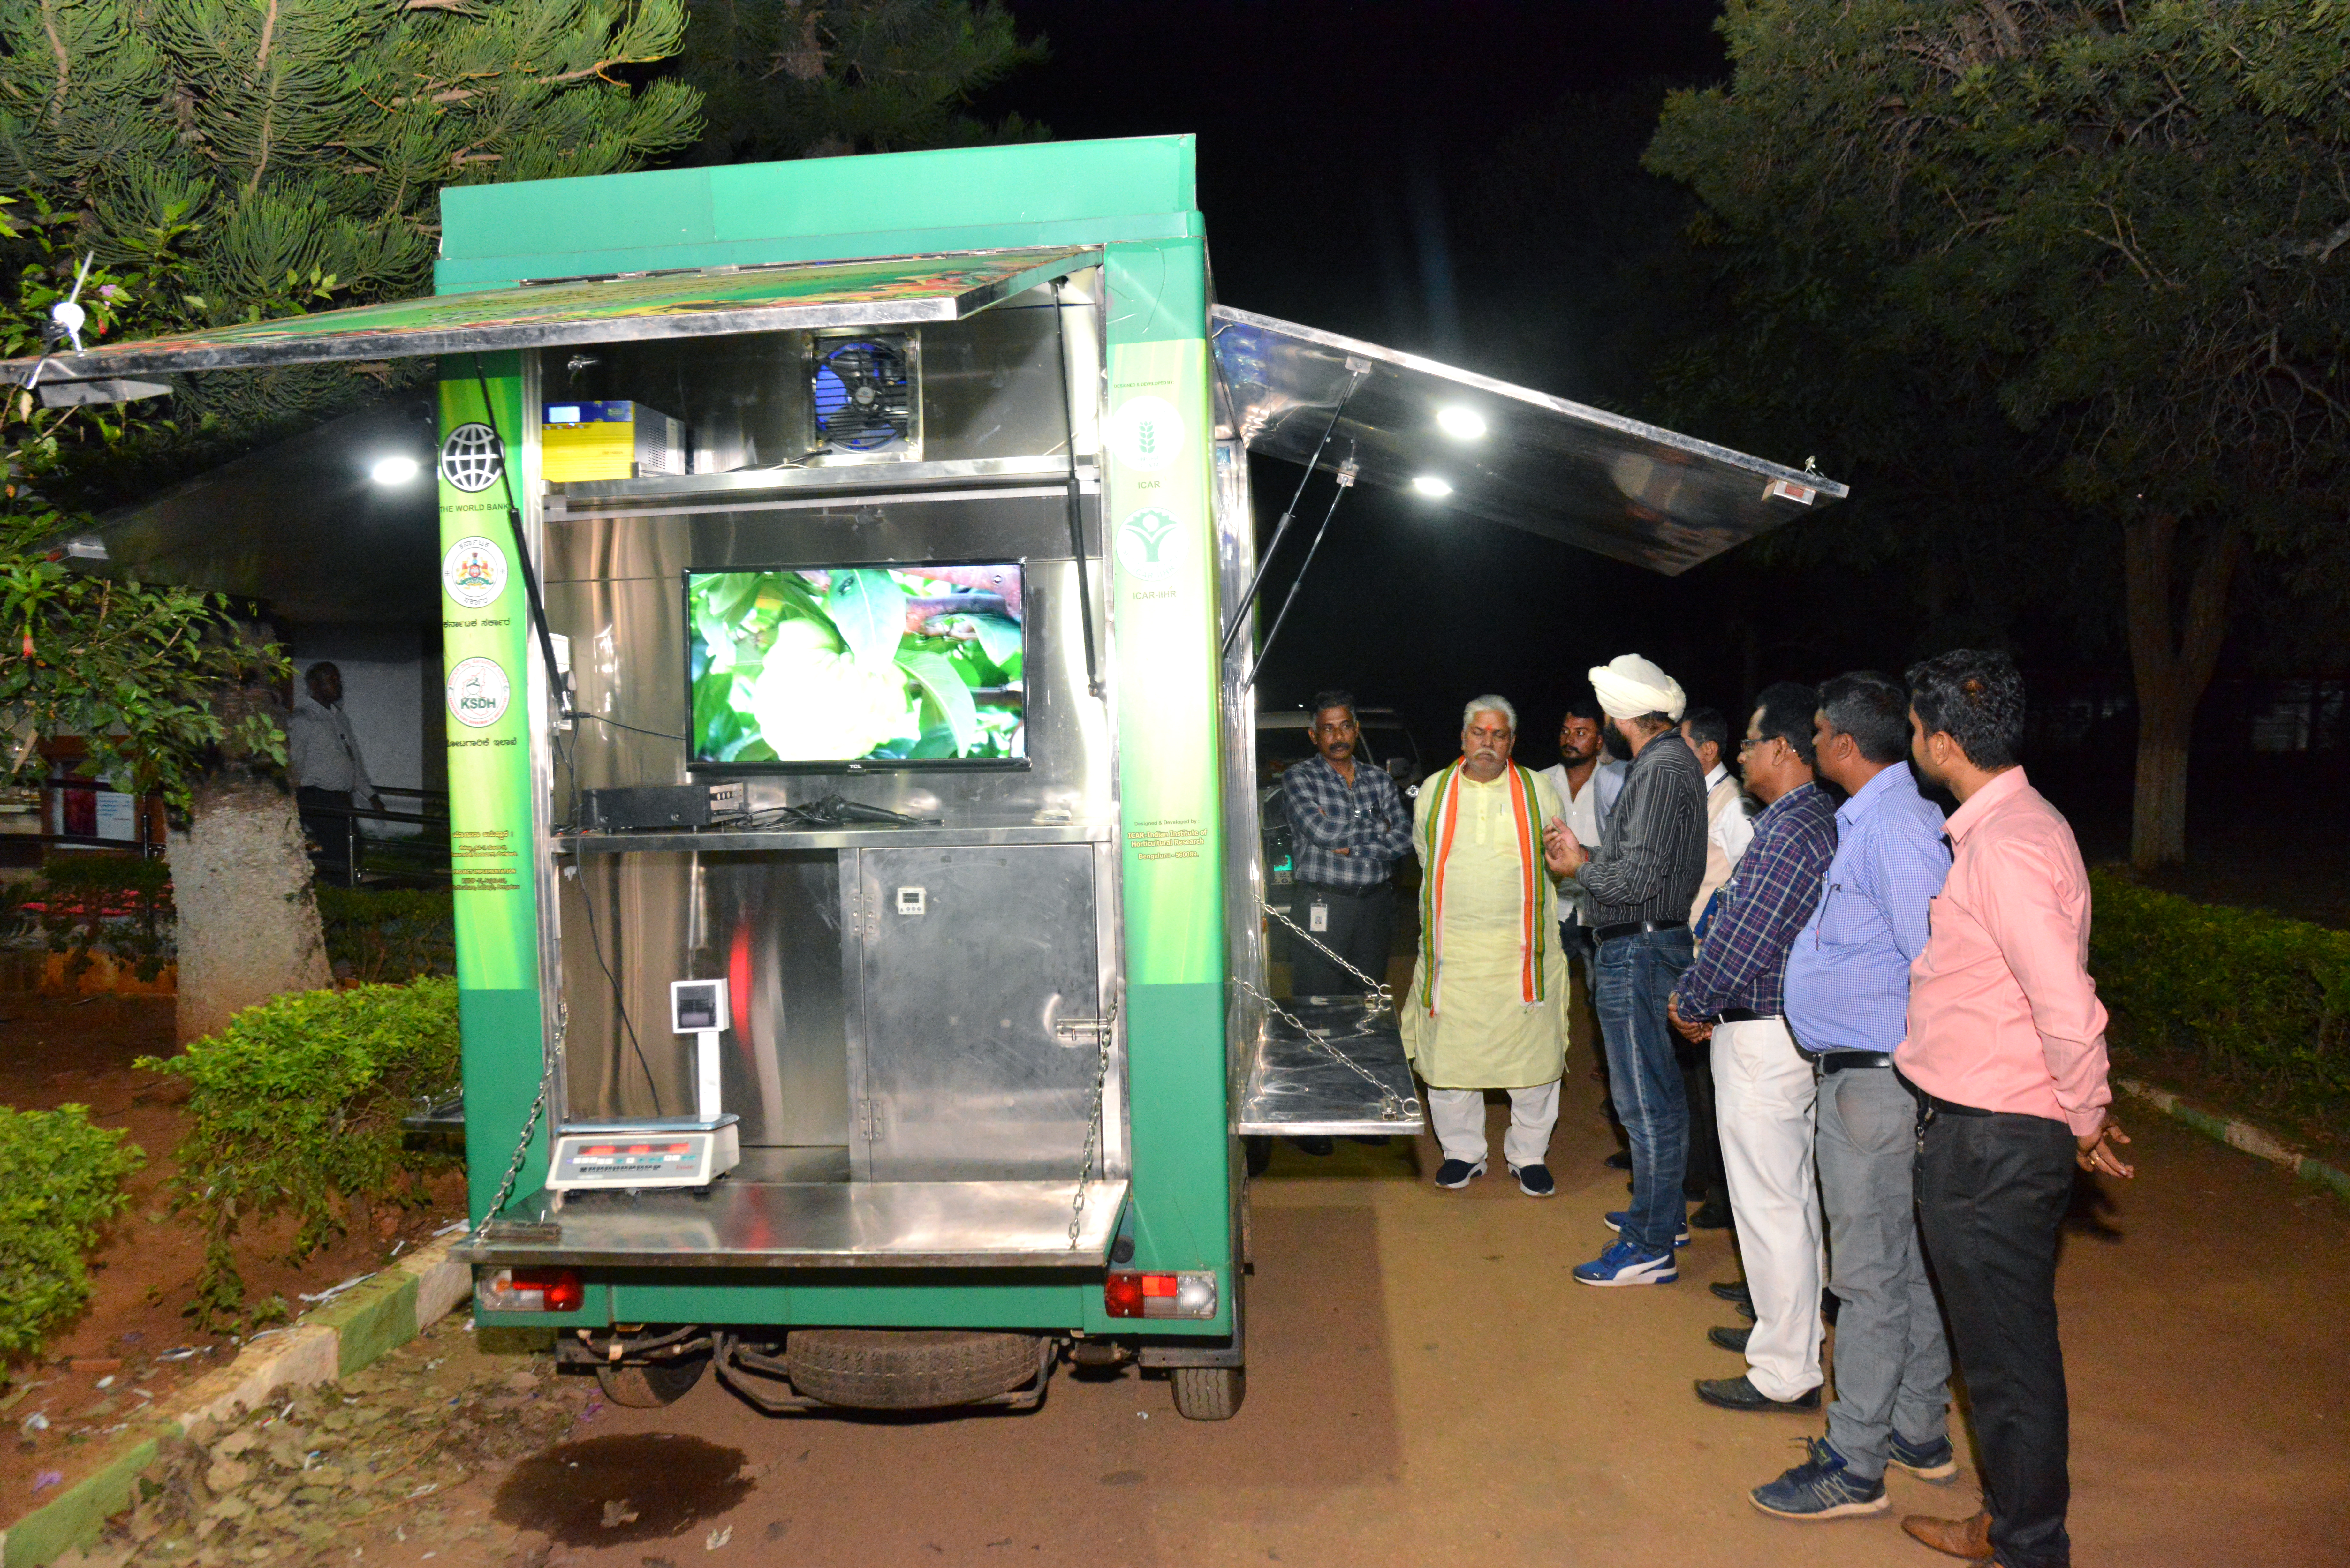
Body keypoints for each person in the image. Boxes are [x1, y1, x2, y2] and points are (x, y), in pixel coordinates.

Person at [1895, 650, 2133, 1568]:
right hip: (1988, 1128)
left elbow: (2065, 1001)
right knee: (1995, 1352)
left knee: (2006, 1361)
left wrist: (2085, 1114)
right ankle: (2007, 1521)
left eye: (1917, 730)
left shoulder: (2008, 847)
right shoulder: (2014, 827)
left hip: (1992, 1141)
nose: (1913, 742)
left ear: (1945, 743)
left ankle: (2029, 1545)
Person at [1746, 671, 1958, 1518]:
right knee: (1899, 1265)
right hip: (1871, 1078)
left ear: (1838, 744)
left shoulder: (1896, 829)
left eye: (1820, 728)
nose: (1812, 738)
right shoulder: (1873, 820)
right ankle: (1917, 1429)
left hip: (1877, 1083)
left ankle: (1855, 1462)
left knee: (1867, 1279)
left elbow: (1936, 958)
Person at [1665, 683, 1839, 1414]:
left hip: (1761, 1034)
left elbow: (1742, 935)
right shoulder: (1805, 819)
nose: (1739, 754)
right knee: (1789, 1195)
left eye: (1747, 741)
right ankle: (1787, 1335)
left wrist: (1693, 998)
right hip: (1779, 1030)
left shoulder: (1790, 829)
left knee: (1770, 1201)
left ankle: (1784, 1370)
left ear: (1783, 750)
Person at [1544, 654, 1707, 1284]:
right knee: (1656, 1095)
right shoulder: (1663, 763)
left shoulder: (1662, 767)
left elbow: (1636, 879)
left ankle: (1648, 1246)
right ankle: (1659, 1216)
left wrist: (1577, 868)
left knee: (1645, 1102)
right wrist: (1584, 856)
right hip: (1643, 943)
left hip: (1637, 949)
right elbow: (1644, 867)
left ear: (1618, 713)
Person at [1401, 696, 1571, 1198]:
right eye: (1479, 734)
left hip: (1522, 955)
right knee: (1451, 1060)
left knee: (1533, 1063)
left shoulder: (1540, 791)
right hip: (1455, 956)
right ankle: (1463, 1153)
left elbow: (1557, 855)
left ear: (1512, 743)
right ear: (1463, 738)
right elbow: (1425, 857)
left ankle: (1529, 1155)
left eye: (1499, 736)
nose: (1488, 745)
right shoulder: (1434, 791)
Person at [1539, 696, 1630, 1168]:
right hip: (1554, 909)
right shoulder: (1543, 782)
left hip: (1598, 910)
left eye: (1581, 732)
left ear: (1600, 738)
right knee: (1545, 996)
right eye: (1566, 730)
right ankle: (1540, 1080)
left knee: (1605, 1001)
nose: (1570, 739)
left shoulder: (1617, 780)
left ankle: (1618, 1099)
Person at [1280, 690, 1414, 999]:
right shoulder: (1300, 778)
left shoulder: (1379, 780)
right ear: (1314, 735)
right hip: (1324, 903)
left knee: (1368, 999)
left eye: (1344, 726)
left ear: (1356, 729)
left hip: (1376, 907)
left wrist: (1354, 846)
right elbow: (1323, 831)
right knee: (1318, 999)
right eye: (1328, 729)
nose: (1338, 736)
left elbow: (1405, 836)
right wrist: (1381, 825)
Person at [288, 661, 379, 884]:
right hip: (317, 796)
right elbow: (294, 761)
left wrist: (371, 796)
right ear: (314, 685)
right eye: (331, 681)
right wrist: (290, 798)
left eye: (339, 681)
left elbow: (352, 761)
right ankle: (335, 894)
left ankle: (343, 894)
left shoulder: (339, 719)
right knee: (337, 852)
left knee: (352, 847)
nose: (338, 686)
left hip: (341, 799)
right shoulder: (303, 719)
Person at [1682, 705, 1755, 926]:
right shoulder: (1695, 793)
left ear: (1709, 750)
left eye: (1681, 747)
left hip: (1706, 941)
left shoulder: (1734, 803)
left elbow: (1749, 884)